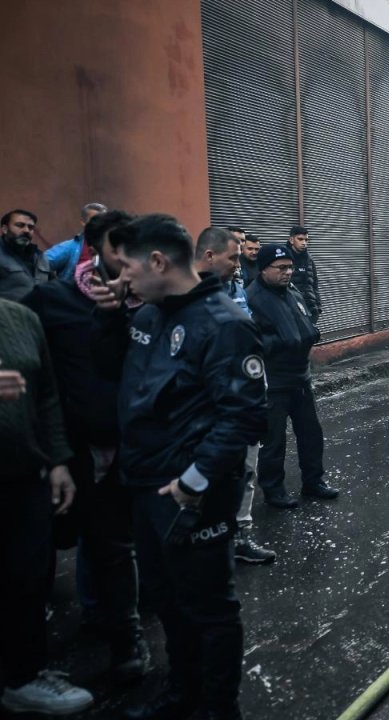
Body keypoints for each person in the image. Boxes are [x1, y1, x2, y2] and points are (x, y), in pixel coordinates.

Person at [92, 214, 267, 720]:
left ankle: (217, 707)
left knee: (209, 608)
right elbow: (111, 375)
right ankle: (182, 692)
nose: (121, 278)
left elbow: (244, 417)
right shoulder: (147, 314)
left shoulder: (224, 325)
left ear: (157, 261)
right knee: (167, 601)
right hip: (145, 485)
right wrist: (107, 317)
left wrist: (194, 482)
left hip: (191, 493)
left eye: (126, 267)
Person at [21, 209, 152, 685]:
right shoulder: (50, 300)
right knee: (38, 556)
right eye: (123, 248)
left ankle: (126, 638)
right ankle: (30, 665)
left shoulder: (151, 304)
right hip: (62, 451)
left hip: (125, 450)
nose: (134, 258)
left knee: (114, 547)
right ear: (96, 251)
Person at [0, 298, 94, 716]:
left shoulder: (20, 317)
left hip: (23, 475)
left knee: (29, 576)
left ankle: (24, 675)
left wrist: (57, 460)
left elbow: (47, 398)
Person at [194, 228, 277, 564]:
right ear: (209, 255)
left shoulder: (237, 287)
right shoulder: (187, 297)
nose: (239, 263)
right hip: (212, 406)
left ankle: (241, 535)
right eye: (233, 257)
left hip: (245, 395)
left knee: (247, 468)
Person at [248, 245, 337, 509]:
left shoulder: (292, 292)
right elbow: (251, 340)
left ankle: (314, 481)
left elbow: (303, 320)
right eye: (281, 268)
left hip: (300, 378)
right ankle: (274, 491)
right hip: (274, 383)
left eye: (289, 267)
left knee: (311, 434)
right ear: (264, 269)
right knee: (273, 441)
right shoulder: (252, 298)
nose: (288, 272)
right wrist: (280, 342)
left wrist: (310, 331)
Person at [1, 209, 56, 301]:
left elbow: (54, 288)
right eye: (20, 225)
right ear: (5, 229)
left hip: (38, 314)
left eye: (30, 227)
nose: (26, 230)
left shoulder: (40, 257)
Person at [45, 203, 107, 281]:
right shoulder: (71, 247)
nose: (100, 224)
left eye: (104, 221)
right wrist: (55, 286)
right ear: (83, 222)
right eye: (95, 220)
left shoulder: (114, 249)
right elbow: (40, 263)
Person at [285, 225, 321, 323]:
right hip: (292, 310)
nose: (304, 243)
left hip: (310, 309)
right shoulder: (284, 258)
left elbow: (314, 284)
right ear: (291, 240)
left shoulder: (309, 259)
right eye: (300, 239)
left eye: (306, 240)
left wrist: (317, 306)